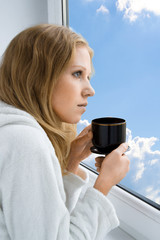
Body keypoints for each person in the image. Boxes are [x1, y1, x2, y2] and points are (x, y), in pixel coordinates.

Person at [0, 24, 130, 240]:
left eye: (88, 77)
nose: (90, 90)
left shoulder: (10, 129)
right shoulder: (25, 141)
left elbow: (44, 220)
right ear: (38, 77)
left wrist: (71, 163)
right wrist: (104, 184)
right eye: (77, 73)